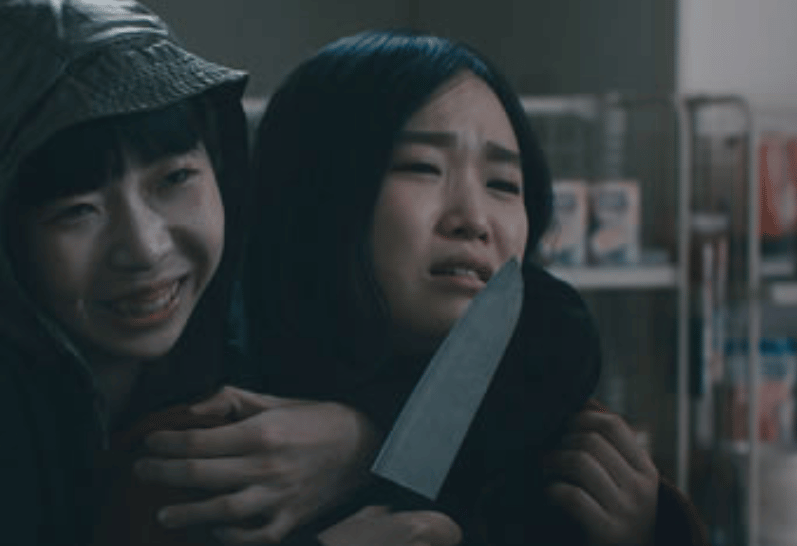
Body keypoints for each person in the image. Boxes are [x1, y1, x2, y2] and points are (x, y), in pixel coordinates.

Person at [0, 0, 455, 545]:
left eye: (175, 177)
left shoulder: (262, 321)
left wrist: (363, 438)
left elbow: (499, 384)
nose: (147, 248)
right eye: (78, 210)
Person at [135, 29, 708, 545]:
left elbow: (554, 317)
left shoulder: (556, 426)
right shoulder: (210, 432)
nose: (473, 219)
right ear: (315, 192)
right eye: (421, 168)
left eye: (504, 183)